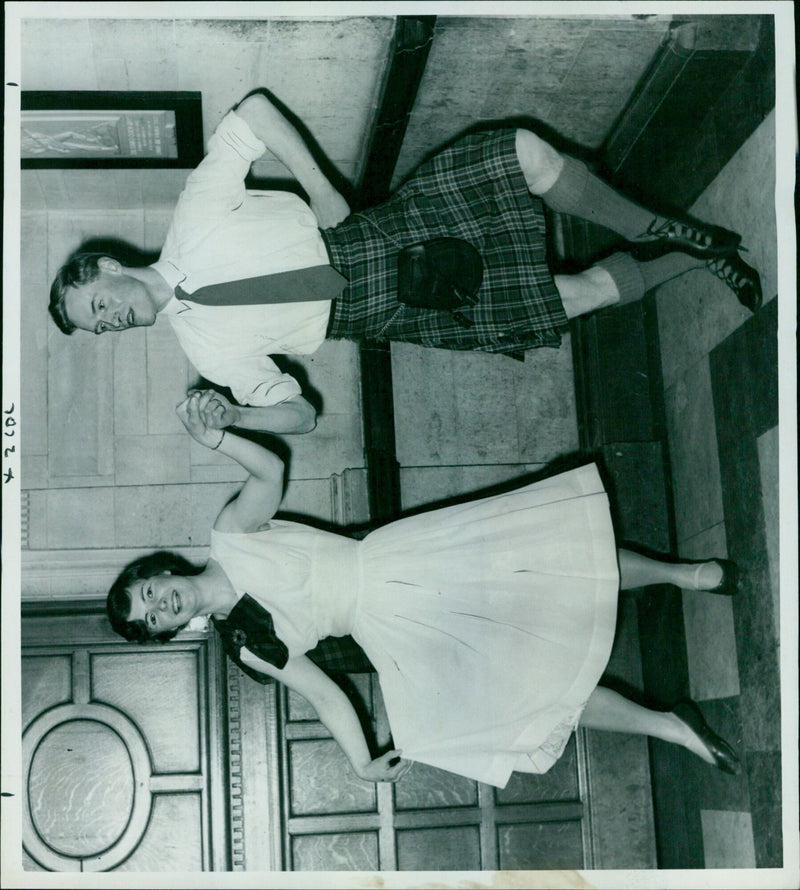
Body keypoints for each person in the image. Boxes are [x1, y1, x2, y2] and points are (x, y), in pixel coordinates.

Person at [106, 389, 740, 787]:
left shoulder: (231, 534)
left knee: (549, 563)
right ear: (170, 629)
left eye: (151, 592)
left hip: (399, 560)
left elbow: (271, 468)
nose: (162, 604)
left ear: (159, 572)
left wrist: (215, 436)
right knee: (521, 695)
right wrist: (359, 760)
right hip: (392, 634)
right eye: (154, 617)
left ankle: (683, 576)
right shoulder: (245, 645)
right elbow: (326, 694)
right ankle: (671, 726)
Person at [50, 91, 762, 435]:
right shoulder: (205, 351)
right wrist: (234, 419)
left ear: (108, 267)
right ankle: (696, 261)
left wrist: (323, 187)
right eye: (100, 329)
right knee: (571, 298)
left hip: (378, 233)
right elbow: (300, 413)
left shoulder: (192, 214)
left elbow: (254, 114)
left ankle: (676, 231)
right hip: (389, 309)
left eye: (99, 306)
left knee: (522, 152)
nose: (110, 321)